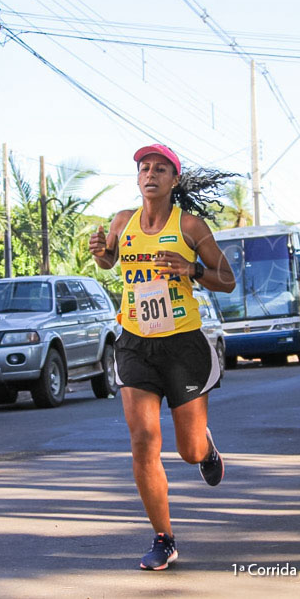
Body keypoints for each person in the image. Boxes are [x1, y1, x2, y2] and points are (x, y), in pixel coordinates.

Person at [89, 143, 235, 571]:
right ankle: (163, 538)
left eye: (160, 169)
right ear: (137, 179)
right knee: (143, 443)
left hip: (182, 345)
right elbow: (110, 260)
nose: (150, 174)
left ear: (174, 180)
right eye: (143, 168)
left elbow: (226, 279)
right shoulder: (122, 221)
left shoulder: (190, 226)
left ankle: (204, 447)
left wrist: (191, 270)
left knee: (187, 451)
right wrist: (102, 252)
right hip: (134, 341)